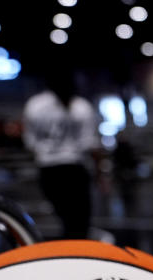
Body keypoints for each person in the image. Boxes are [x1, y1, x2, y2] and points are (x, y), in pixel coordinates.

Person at [22, 68, 99, 239]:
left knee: (66, 218)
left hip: (49, 169)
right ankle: (77, 255)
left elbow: (30, 143)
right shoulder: (81, 106)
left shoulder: (35, 105)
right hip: (73, 168)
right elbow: (90, 144)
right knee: (79, 222)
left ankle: (71, 254)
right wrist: (101, 175)